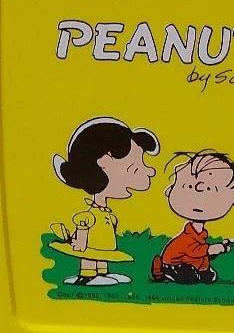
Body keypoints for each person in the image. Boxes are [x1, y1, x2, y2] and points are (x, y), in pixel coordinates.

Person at [49, 117, 159, 286]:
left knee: (101, 255)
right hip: (88, 247)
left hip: (103, 248)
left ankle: (102, 273)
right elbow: (83, 227)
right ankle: (86, 275)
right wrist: (80, 242)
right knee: (91, 255)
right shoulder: (90, 215)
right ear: (104, 162)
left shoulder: (105, 212)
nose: (151, 172)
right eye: (134, 168)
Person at [152, 151, 234, 284]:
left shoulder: (200, 234)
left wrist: (218, 249)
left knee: (209, 277)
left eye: (210, 189)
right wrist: (212, 249)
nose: (199, 195)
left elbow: (200, 252)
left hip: (190, 262)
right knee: (191, 278)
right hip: (173, 263)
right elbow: (194, 250)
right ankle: (165, 271)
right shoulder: (188, 236)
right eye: (189, 186)